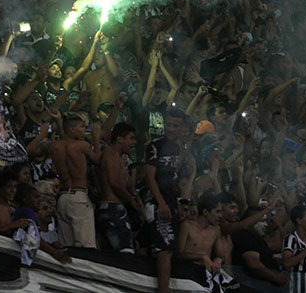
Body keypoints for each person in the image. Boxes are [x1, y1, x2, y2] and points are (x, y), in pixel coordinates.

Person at [145, 109, 194, 293]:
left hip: (173, 201)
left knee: (170, 249)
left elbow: (181, 179)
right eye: (168, 124)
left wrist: (182, 203)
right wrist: (162, 204)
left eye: (175, 125)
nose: (171, 129)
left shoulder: (183, 149)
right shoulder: (155, 146)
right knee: (164, 250)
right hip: (157, 202)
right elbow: (150, 179)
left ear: (182, 127)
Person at [52, 114, 101, 248]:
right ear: (72, 130)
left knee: (67, 247)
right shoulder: (82, 145)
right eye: (82, 127)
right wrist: (96, 139)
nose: (84, 130)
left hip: (62, 198)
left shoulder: (55, 146)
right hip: (79, 198)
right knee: (86, 247)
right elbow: (97, 160)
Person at [175, 192, 236, 293]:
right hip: (185, 271)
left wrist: (218, 260)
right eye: (218, 212)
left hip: (205, 272)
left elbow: (220, 255)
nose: (221, 216)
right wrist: (202, 256)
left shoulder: (216, 230)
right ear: (205, 212)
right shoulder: (187, 226)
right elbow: (178, 253)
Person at [97, 122, 142, 253]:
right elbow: (114, 182)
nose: (134, 142)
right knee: (125, 252)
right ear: (120, 139)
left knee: (112, 253)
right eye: (131, 138)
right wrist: (132, 201)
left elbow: (125, 184)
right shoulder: (111, 154)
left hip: (110, 207)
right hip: (112, 208)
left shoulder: (117, 157)